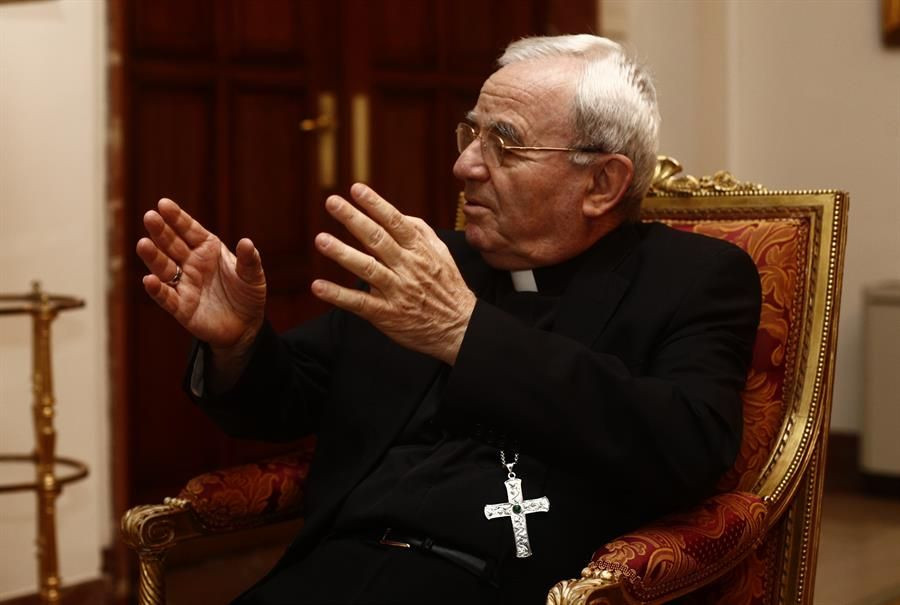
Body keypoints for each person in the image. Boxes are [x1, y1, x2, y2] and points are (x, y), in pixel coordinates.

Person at [136, 35, 761, 604]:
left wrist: (465, 333)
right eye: (471, 134)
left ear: (601, 182)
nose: (465, 167)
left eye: (505, 144)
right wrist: (240, 344)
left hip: (512, 586)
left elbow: (688, 447)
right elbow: (286, 402)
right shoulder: (430, 263)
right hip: (330, 572)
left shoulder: (692, 278)